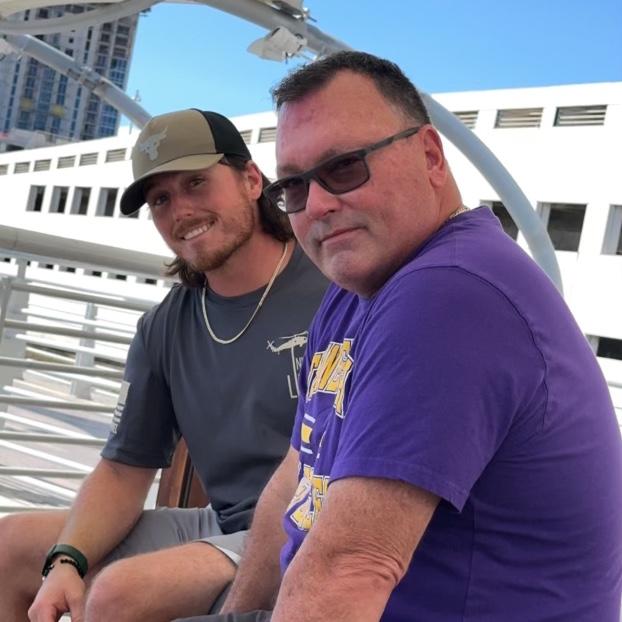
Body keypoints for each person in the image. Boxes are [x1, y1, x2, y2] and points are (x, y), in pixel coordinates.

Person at [199, 52, 622, 622]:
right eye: (294, 187)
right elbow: (299, 475)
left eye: (344, 167)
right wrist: (233, 616)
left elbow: (348, 571)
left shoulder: (451, 294)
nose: (317, 204)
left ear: (429, 156)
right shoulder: (357, 290)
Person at [0, 108, 327, 622]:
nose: (181, 211)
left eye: (196, 182)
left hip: (312, 527)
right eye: (161, 199)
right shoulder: (165, 326)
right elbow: (123, 468)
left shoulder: (332, 284)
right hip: (222, 525)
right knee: (11, 546)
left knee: (120, 592)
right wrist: (67, 560)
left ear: (250, 179)